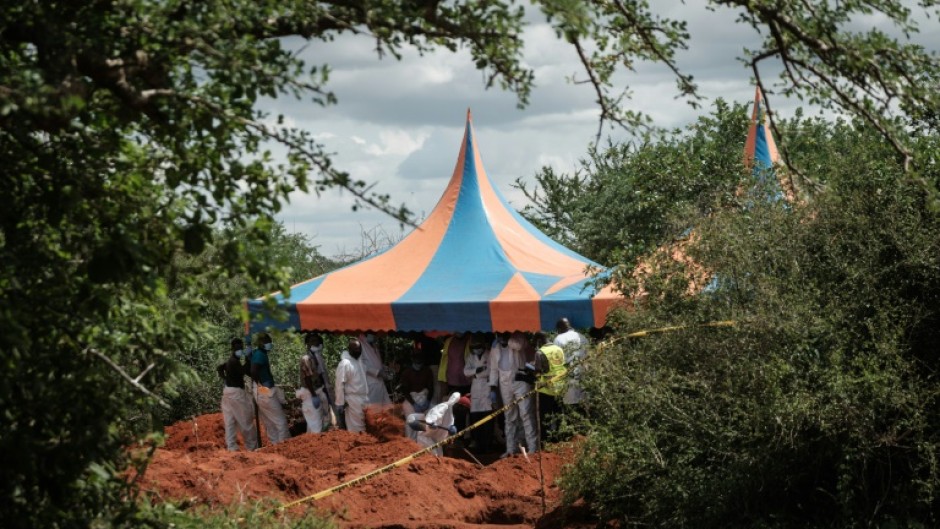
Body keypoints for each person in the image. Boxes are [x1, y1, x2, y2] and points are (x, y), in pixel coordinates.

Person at [488, 331, 538, 458]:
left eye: (503, 333)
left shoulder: (518, 337)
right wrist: (493, 388)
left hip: (519, 381)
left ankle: (533, 448)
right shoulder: (495, 347)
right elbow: (493, 368)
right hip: (504, 383)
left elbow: (520, 346)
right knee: (509, 416)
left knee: (526, 414)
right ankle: (511, 449)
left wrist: (508, 339)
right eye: (499, 334)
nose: (501, 337)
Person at [217, 338, 259, 451]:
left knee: (230, 421)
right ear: (233, 348)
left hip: (227, 391)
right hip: (236, 393)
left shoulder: (230, 361)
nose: (239, 350)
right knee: (245, 420)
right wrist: (248, 358)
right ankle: (252, 447)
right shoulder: (234, 361)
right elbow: (245, 372)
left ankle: (231, 447)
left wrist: (224, 377)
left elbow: (219, 368)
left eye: (241, 348)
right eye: (237, 348)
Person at [249, 333, 290, 444]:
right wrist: (261, 387)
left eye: (269, 342)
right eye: (266, 342)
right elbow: (253, 371)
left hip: (261, 391)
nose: (269, 344)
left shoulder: (259, 354)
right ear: (260, 343)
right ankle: (285, 445)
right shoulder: (259, 355)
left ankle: (275, 445)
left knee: (270, 424)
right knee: (281, 422)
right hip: (264, 391)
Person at [462, 333, 495, 451]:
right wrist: (476, 370)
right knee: (475, 416)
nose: (477, 349)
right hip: (475, 386)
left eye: (478, 346)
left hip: (487, 385)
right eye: (474, 347)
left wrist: (476, 374)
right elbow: (466, 371)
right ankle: (477, 443)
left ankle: (488, 445)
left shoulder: (489, 354)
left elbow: (491, 371)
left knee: (487, 416)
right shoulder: (470, 357)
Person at [533, 332, 566, 444]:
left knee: (545, 419)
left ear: (539, 340)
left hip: (546, 390)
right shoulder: (559, 349)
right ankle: (559, 441)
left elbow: (538, 372)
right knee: (559, 416)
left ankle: (546, 444)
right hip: (560, 388)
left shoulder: (540, 352)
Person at [399, 344, 436, 440]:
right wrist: (414, 404)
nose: (418, 362)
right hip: (411, 399)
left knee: (432, 417)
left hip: (425, 397)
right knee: (411, 419)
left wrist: (427, 402)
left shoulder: (427, 371)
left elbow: (431, 388)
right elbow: (405, 391)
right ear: (412, 359)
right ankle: (411, 442)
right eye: (416, 360)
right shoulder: (406, 372)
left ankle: (426, 442)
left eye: (420, 360)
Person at [438, 332, 472, 432]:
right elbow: (444, 360)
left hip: (467, 382)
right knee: (454, 410)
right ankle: (456, 435)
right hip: (451, 381)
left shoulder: (470, 340)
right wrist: (442, 379)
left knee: (467, 409)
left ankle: (466, 435)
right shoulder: (449, 341)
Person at [409, 392, 461, 456]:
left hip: (435, 439)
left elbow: (446, 435)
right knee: (433, 455)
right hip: (425, 436)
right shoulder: (443, 406)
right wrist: (432, 422)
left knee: (440, 455)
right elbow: (435, 414)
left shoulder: (451, 417)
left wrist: (451, 434)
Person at [297, 333, 330, 434]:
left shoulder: (317, 357)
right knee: (316, 424)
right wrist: (314, 395)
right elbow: (307, 378)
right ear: (307, 344)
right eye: (312, 341)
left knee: (316, 423)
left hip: (317, 391)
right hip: (310, 393)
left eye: (317, 341)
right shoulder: (306, 359)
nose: (315, 343)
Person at [335, 337, 369, 433]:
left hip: (363, 398)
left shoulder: (359, 362)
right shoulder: (345, 363)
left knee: (362, 424)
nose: (358, 351)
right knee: (356, 426)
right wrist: (340, 403)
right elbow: (339, 383)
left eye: (359, 348)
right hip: (353, 399)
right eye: (355, 349)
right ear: (349, 349)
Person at [554, 317, 588, 406]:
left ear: (559, 328)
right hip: (584, 375)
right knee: (584, 403)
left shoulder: (558, 339)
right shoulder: (582, 337)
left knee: (571, 406)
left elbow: (557, 360)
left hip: (569, 376)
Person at [358, 332, 391, 407]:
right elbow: (359, 365)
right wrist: (377, 372)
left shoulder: (373, 344)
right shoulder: (359, 344)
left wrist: (386, 368)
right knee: (375, 410)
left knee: (388, 408)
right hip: (370, 384)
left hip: (380, 383)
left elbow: (377, 363)